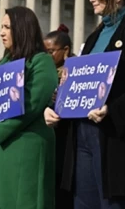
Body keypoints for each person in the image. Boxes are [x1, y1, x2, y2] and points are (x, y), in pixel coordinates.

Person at [45, 0, 125, 209]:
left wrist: (112, 109)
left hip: (115, 139)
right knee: (83, 203)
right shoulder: (95, 36)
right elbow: (77, 84)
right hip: (83, 135)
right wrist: (55, 107)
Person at [0, 6, 58, 209]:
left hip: (23, 149)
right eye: (1, 26)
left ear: (22, 29)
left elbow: (31, 104)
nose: (1, 32)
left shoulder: (41, 62)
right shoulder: (2, 63)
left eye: (7, 27)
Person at [43, 24, 75, 209]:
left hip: (67, 136)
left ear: (65, 51)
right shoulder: (44, 72)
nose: (48, 56)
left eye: (51, 51)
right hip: (48, 135)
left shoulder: (77, 70)